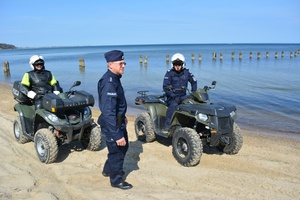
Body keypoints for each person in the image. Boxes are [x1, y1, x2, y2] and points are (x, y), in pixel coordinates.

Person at [97, 50, 132, 190]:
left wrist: (123, 116)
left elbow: (115, 105)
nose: (123, 66)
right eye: (120, 63)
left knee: (121, 148)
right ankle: (116, 180)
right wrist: (117, 134)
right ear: (110, 64)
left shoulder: (115, 78)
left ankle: (108, 169)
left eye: (124, 63)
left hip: (117, 120)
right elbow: (108, 111)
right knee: (117, 151)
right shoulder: (109, 82)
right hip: (112, 124)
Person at [163, 53, 197, 130]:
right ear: (173, 64)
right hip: (172, 98)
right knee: (174, 105)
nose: (177, 66)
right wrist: (173, 96)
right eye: (175, 64)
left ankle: (192, 124)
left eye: (179, 64)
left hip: (183, 96)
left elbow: (194, 82)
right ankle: (167, 125)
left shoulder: (187, 72)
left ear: (182, 64)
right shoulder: (169, 73)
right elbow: (165, 87)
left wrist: (193, 93)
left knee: (194, 104)